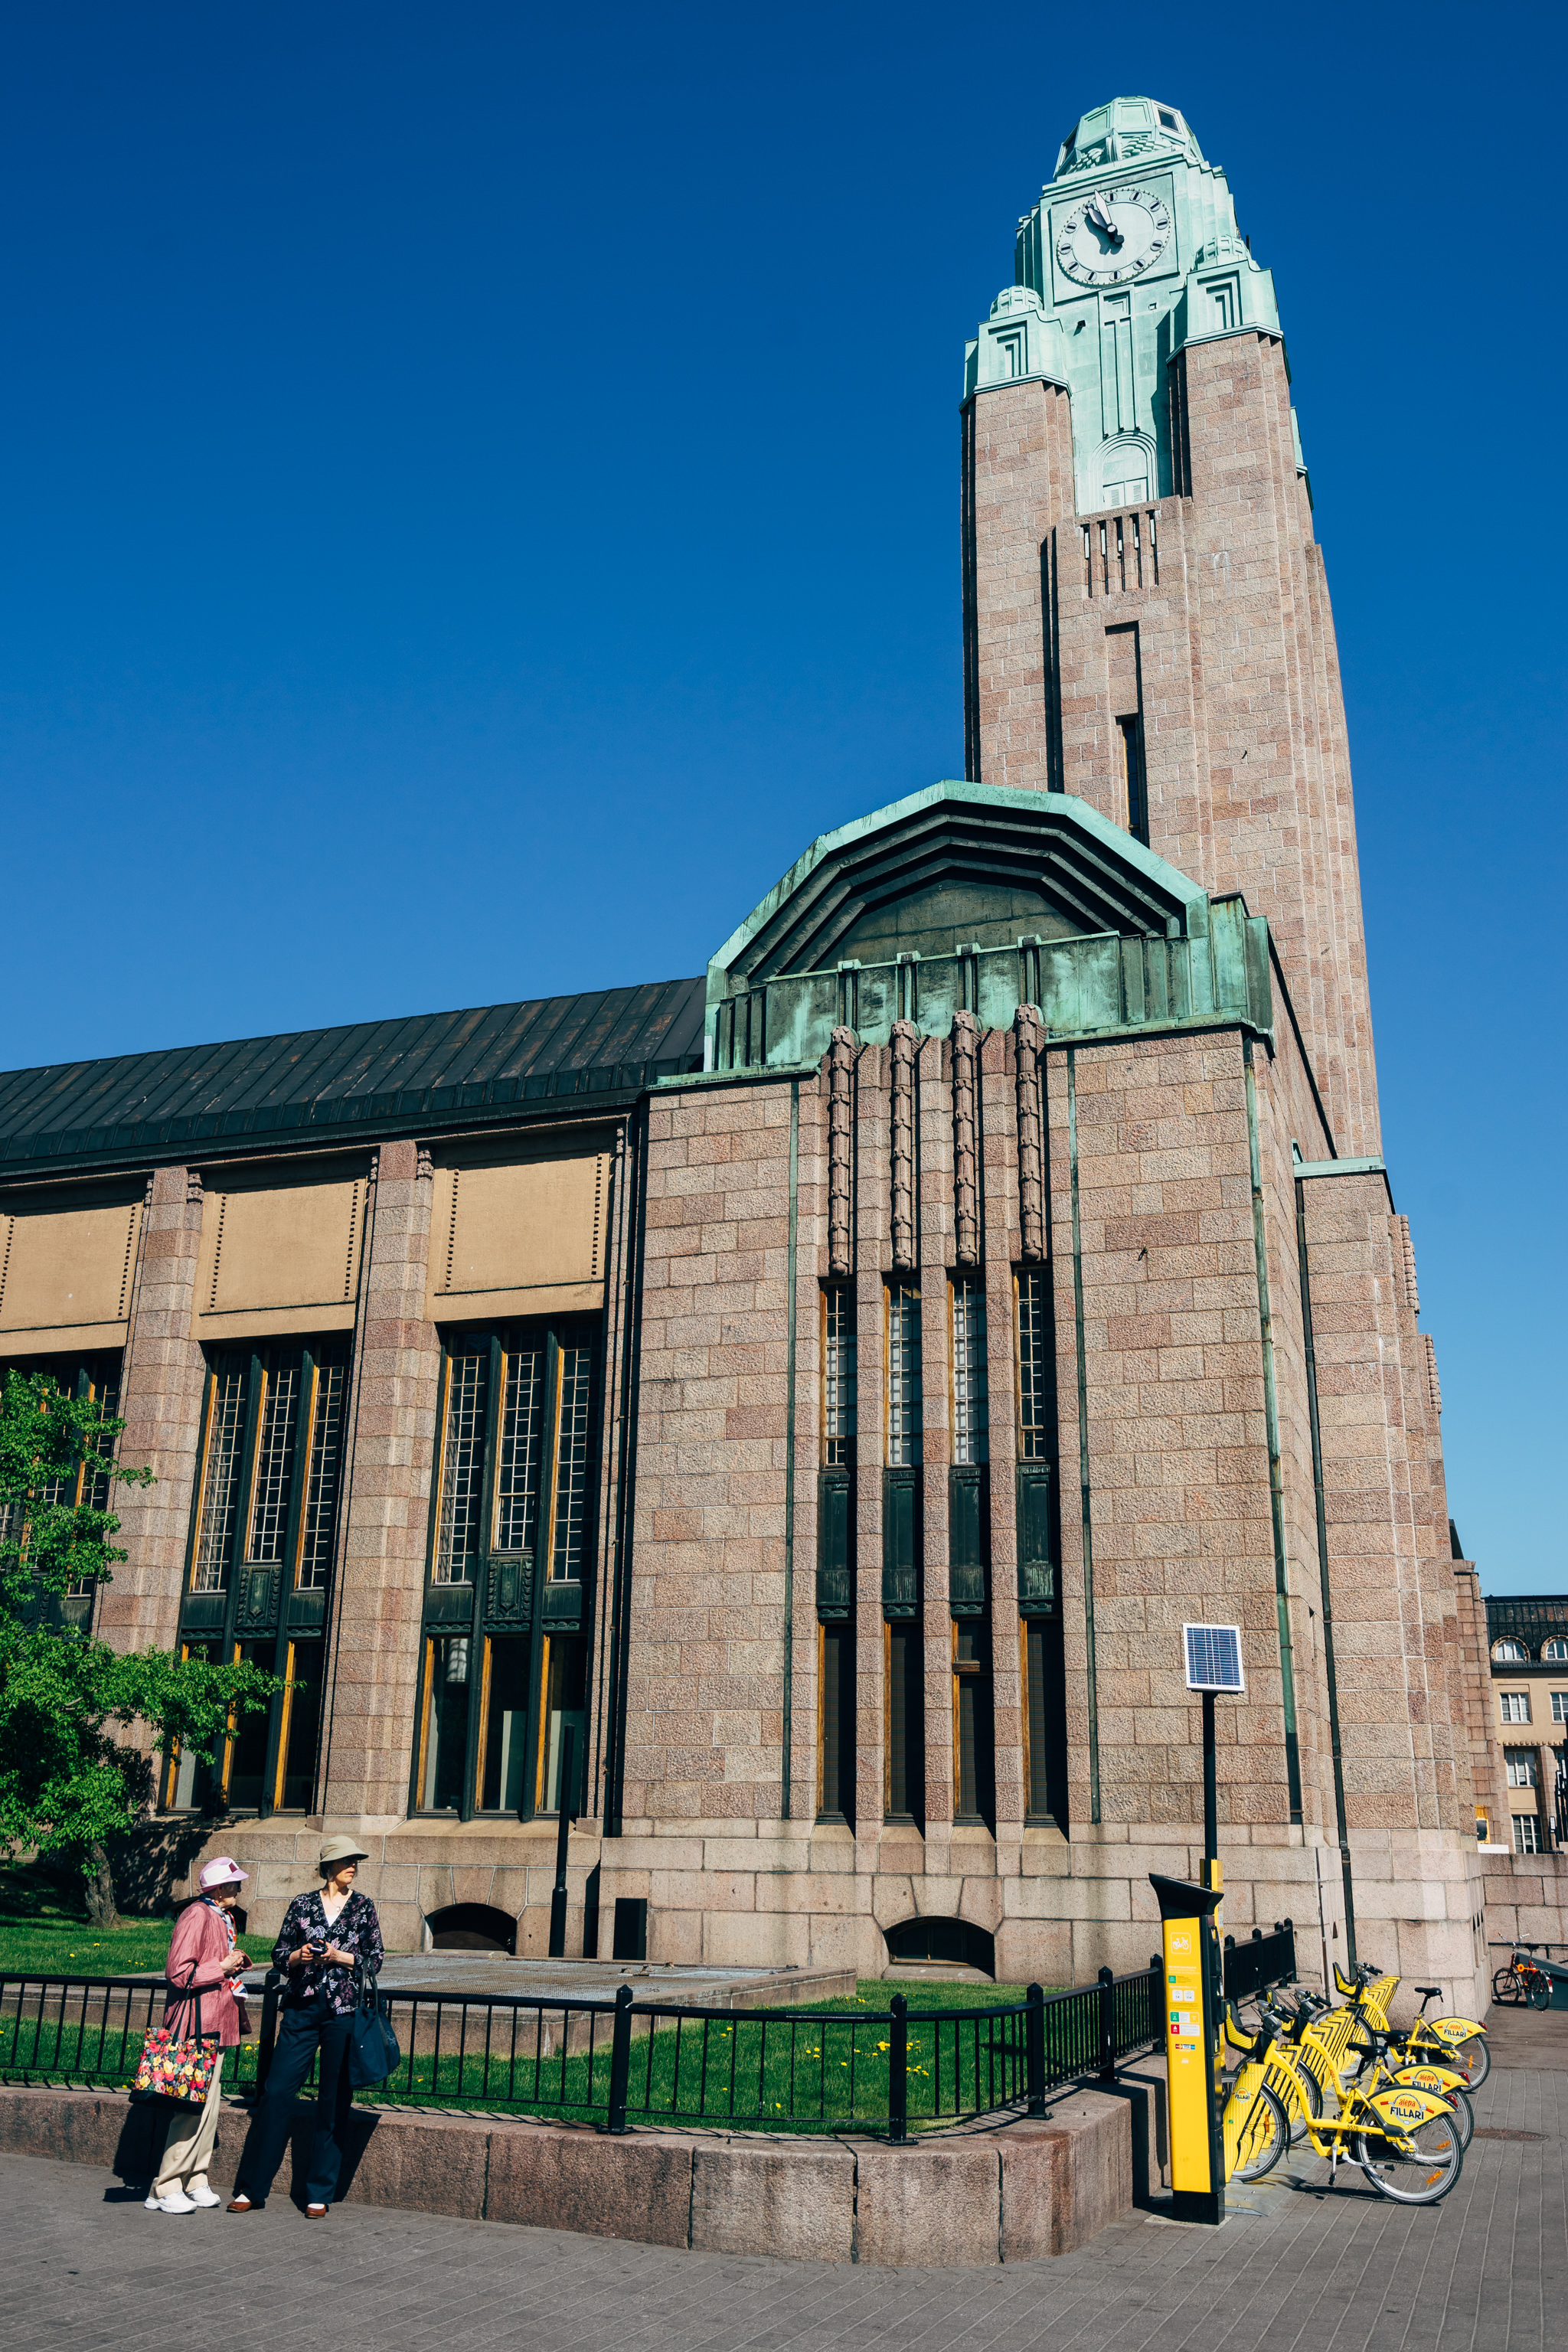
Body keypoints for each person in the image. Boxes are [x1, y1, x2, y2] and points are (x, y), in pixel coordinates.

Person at [227, 1835, 384, 2217]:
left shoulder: (363, 1907)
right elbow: (279, 1955)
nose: (353, 1866)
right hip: (301, 2009)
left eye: (355, 1861)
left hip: (343, 2012)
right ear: (328, 1866)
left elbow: (375, 1960)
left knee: (333, 2100)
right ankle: (251, 2188)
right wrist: (299, 1956)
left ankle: (319, 2192)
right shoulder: (302, 1904)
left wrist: (338, 1956)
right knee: (277, 2092)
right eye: (346, 1861)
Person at [147, 1856, 252, 2213]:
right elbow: (178, 1972)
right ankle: (164, 2187)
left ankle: (195, 2178)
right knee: (191, 2108)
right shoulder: (197, 1914)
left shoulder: (222, 1916)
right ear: (220, 1888)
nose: (239, 1888)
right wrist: (221, 1966)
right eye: (235, 1883)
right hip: (195, 2023)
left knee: (208, 2107)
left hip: (216, 2020)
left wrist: (233, 1961)